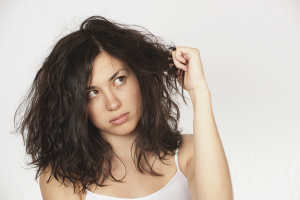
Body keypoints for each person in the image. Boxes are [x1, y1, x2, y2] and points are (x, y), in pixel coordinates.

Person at [14, 16, 233, 200]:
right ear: (74, 106)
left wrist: (199, 91)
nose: (113, 103)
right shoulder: (64, 176)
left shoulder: (189, 152)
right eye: (92, 93)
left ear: (138, 76)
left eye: (119, 80)